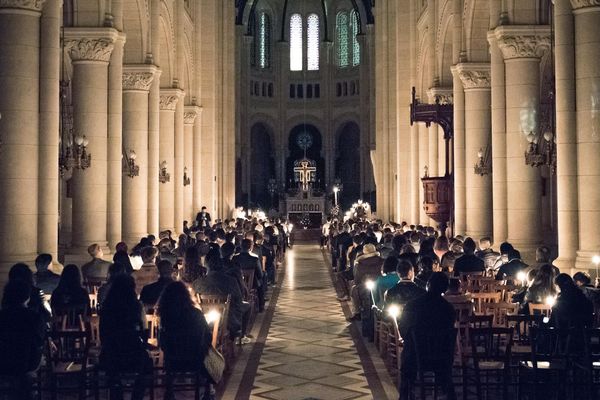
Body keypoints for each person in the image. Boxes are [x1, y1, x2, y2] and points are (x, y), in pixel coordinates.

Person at [398, 272, 456, 400]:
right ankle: (447, 390)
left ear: (428, 285)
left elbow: (403, 331)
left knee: (407, 358)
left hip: (415, 356)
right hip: (442, 357)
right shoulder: (448, 309)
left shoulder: (412, 305)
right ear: (445, 289)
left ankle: (404, 394)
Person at [99, 275, 152, 400]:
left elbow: (103, 333)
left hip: (111, 354)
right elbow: (144, 331)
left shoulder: (107, 307)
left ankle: (116, 393)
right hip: (134, 355)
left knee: (112, 369)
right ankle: (136, 395)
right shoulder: (136, 306)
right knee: (147, 366)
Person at [157, 281, 213, 400]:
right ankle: (208, 393)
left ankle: (170, 393)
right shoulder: (196, 314)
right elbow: (208, 336)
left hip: (172, 360)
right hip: (195, 359)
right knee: (210, 357)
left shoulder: (165, 317)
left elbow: (162, 341)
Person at [0, 280, 47, 400]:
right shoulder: (34, 317)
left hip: (3, 361)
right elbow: (38, 342)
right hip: (27, 362)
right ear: (27, 297)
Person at [192, 249, 244, 339]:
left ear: (207, 266)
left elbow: (194, 302)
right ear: (222, 267)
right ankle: (238, 336)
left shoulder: (197, 282)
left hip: (204, 320)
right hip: (227, 319)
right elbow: (239, 299)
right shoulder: (231, 281)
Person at [348, 243, 384, 321]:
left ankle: (357, 312)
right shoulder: (381, 260)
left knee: (354, 290)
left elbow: (357, 278)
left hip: (364, 286)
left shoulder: (360, 263)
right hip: (380, 285)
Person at [232, 239, 265, 311]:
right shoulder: (254, 259)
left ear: (241, 246)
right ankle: (261, 305)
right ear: (250, 247)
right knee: (261, 281)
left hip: (238, 283)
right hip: (252, 284)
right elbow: (260, 274)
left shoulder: (234, 258)